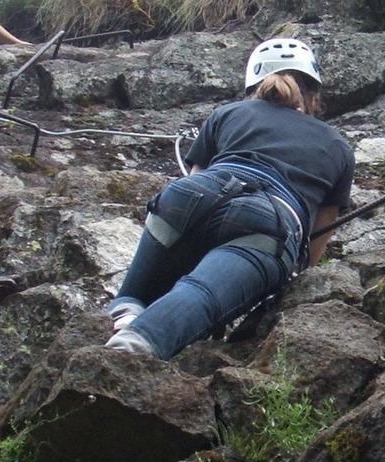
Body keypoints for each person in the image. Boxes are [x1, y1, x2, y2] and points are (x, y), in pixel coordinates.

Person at [103, 39, 356, 361]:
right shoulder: (337, 145)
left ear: (255, 85)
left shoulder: (228, 113)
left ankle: (127, 314)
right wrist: (296, 275)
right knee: (202, 293)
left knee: (134, 294)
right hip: (268, 218)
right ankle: (130, 353)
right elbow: (320, 231)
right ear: (314, 95)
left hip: (190, 197)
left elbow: (195, 175)